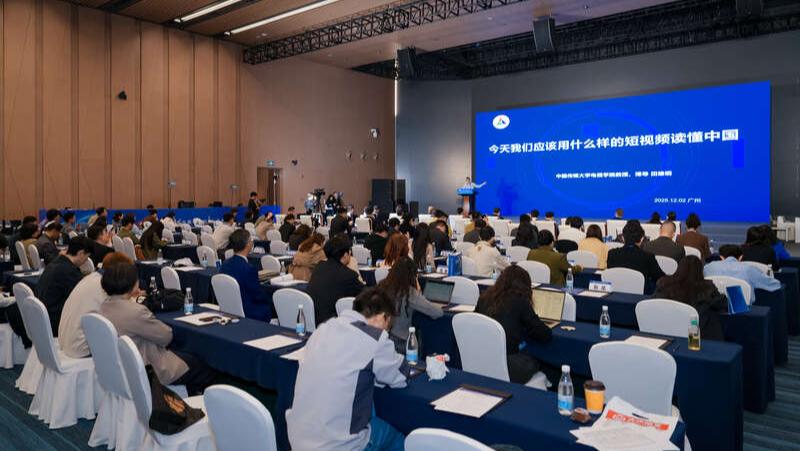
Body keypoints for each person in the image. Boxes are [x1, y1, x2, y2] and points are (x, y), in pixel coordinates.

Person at [286, 287, 407, 451]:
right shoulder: (373, 338)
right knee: (401, 438)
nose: (387, 331)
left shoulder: (324, 328)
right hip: (338, 445)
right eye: (388, 325)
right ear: (381, 318)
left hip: (299, 437)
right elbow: (400, 378)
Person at [100, 262, 215, 394]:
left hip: (121, 366)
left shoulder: (103, 306)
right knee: (203, 364)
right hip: (149, 368)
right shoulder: (136, 311)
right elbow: (166, 337)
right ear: (133, 284)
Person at [475, 265, 552, 384]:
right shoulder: (520, 302)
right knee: (537, 360)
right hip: (507, 364)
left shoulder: (484, 297)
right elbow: (544, 335)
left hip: (480, 359)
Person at [59, 252, 132, 358]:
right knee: (130, 340)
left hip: (66, 341)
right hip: (81, 348)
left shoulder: (90, 278)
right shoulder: (106, 288)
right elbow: (124, 316)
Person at [654, 256, 727, 341]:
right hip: (694, 337)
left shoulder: (664, 284)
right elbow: (723, 303)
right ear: (700, 271)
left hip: (665, 330)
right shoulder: (707, 287)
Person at [380, 256, 443, 348]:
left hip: (380, 337)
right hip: (400, 342)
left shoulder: (382, 285)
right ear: (411, 276)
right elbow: (437, 312)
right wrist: (418, 290)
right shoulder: (409, 293)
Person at [36, 236, 92, 335]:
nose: (86, 261)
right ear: (80, 253)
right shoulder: (70, 271)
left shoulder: (54, 264)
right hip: (56, 322)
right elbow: (82, 299)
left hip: (43, 319)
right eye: (87, 257)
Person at [307, 234, 364, 325]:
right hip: (332, 323)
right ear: (345, 255)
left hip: (313, 320)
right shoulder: (348, 275)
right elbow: (366, 295)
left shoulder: (319, 267)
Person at [219, 229, 272, 321]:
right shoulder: (249, 269)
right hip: (250, 313)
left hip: (229, 311)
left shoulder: (225, 264)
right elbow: (258, 296)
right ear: (248, 244)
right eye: (251, 240)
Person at [704, 245, 781, 301]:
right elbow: (775, 285)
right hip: (742, 309)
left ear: (721, 257)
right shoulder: (749, 269)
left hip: (713, 307)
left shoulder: (708, 267)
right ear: (741, 257)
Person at [607, 221, 665, 289]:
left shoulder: (612, 254)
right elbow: (660, 277)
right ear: (642, 238)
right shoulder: (648, 257)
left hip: (616, 292)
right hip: (642, 293)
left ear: (623, 238)